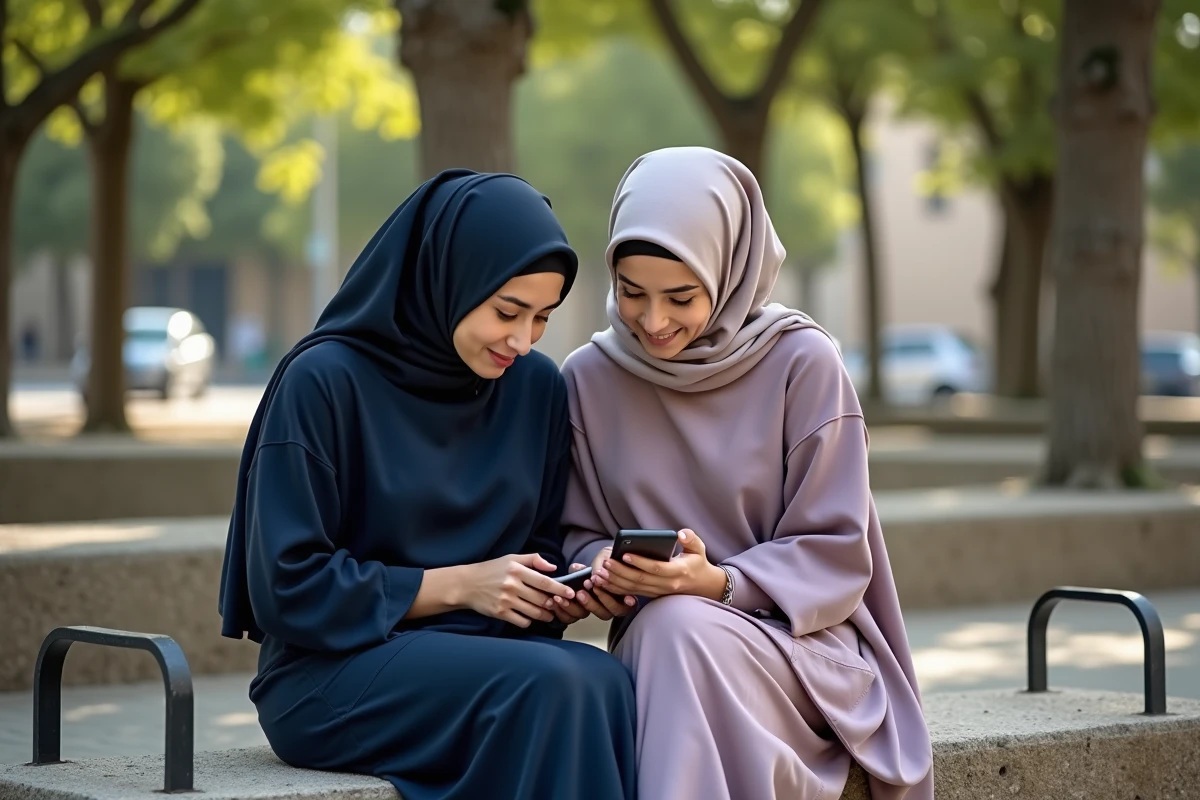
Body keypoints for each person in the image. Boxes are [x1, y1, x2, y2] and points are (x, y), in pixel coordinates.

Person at [218, 170, 637, 800]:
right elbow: (287, 586)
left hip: (481, 654)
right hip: (331, 671)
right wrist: (462, 585)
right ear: (450, 277)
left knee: (605, 679)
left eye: (542, 318)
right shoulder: (324, 381)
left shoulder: (535, 389)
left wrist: (556, 593)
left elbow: (539, 548)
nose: (522, 341)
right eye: (507, 312)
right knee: (558, 685)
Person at [562, 147, 934, 800]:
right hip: (661, 648)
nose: (653, 322)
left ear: (731, 270)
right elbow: (577, 531)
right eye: (632, 292)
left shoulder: (803, 364)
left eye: (681, 296)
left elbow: (837, 553)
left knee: (677, 627)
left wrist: (717, 582)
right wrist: (604, 572)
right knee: (671, 629)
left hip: (800, 649)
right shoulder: (588, 378)